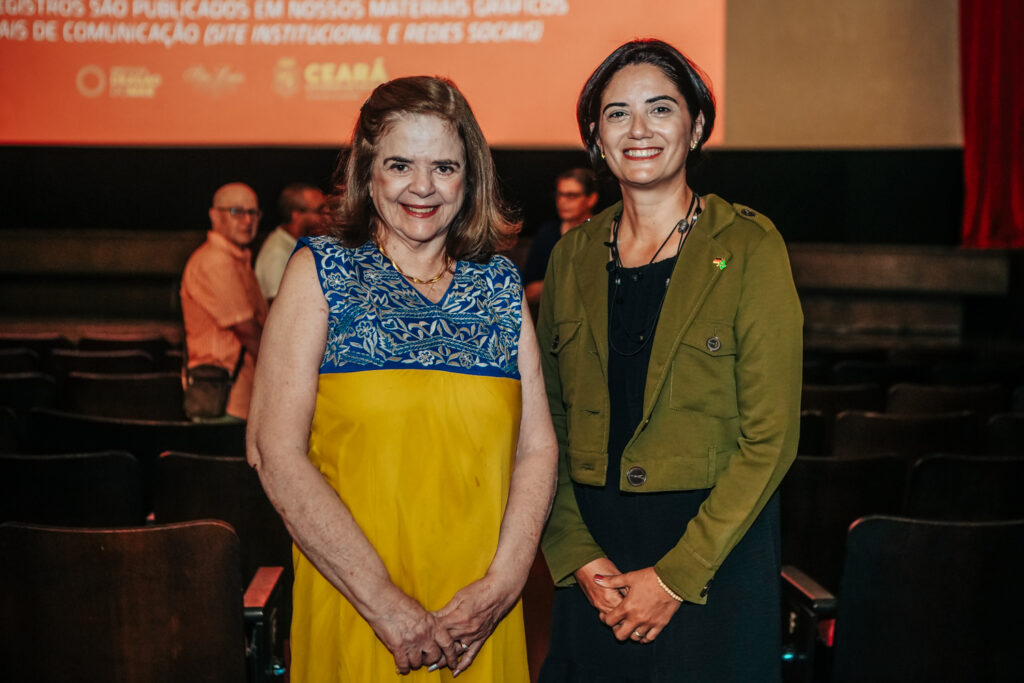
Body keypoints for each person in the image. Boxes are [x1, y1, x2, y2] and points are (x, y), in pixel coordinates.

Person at [246, 76, 558, 682]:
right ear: (368, 173)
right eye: (400, 165)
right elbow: (272, 451)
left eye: (444, 167)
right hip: (361, 613)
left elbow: (538, 447)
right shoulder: (319, 272)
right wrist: (387, 607)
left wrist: (502, 587)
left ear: (471, 179)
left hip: (478, 621)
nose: (423, 187)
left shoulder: (498, 285)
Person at [536, 39, 803, 682]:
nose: (639, 130)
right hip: (596, 568)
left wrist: (675, 577)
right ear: (596, 137)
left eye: (661, 108)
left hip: (714, 559)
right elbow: (545, 428)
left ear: (697, 125)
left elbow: (770, 438)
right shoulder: (570, 258)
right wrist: (575, 553)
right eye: (617, 113)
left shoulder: (747, 246)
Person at [180, 182, 268, 420]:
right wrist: (281, 372)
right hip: (224, 397)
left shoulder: (237, 258)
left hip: (237, 395)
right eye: (236, 212)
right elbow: (247, 330)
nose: (247, 221)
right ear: (214, 216)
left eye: (253, 213)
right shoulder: (215, 262)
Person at [522, 168, 599, 306]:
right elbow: (530, 291)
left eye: (571, 195)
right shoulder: (548, 233)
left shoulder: (603, 232)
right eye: (559, 195)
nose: (562, 201)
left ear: (591, 199)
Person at [255, 183, 330, 302]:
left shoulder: (295, 244)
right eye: (319, 211)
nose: (326, 218)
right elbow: (277, 306)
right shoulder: (277, 252)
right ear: (296, 215)